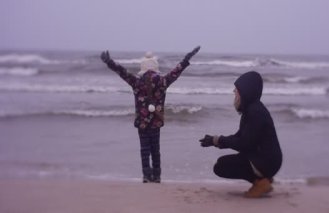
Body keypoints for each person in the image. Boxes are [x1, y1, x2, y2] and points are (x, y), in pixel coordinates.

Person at [101, 46, 201, 183]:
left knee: (144, 150)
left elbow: (122, 72)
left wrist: (109, 62)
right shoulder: (162, 81)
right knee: (156, 150)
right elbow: (176, 72)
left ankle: (146, 176)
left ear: (142, 67)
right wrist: (186, 59)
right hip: (156, 121)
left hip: (142, 122)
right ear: (156, 67)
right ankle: (157, 176)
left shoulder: (136, 82)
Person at [199, 71, 282, 198]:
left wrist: (218, 140)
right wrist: (214, 141)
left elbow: (244, 143)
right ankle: (263, 179)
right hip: (264, 158)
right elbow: (240, 137)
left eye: (237, 89)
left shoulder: (255, 112)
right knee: (225, 162)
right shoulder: (251, 109)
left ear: (245, 91)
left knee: (221, 166)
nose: (234, 92)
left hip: (267, 161)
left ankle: (260, 182)